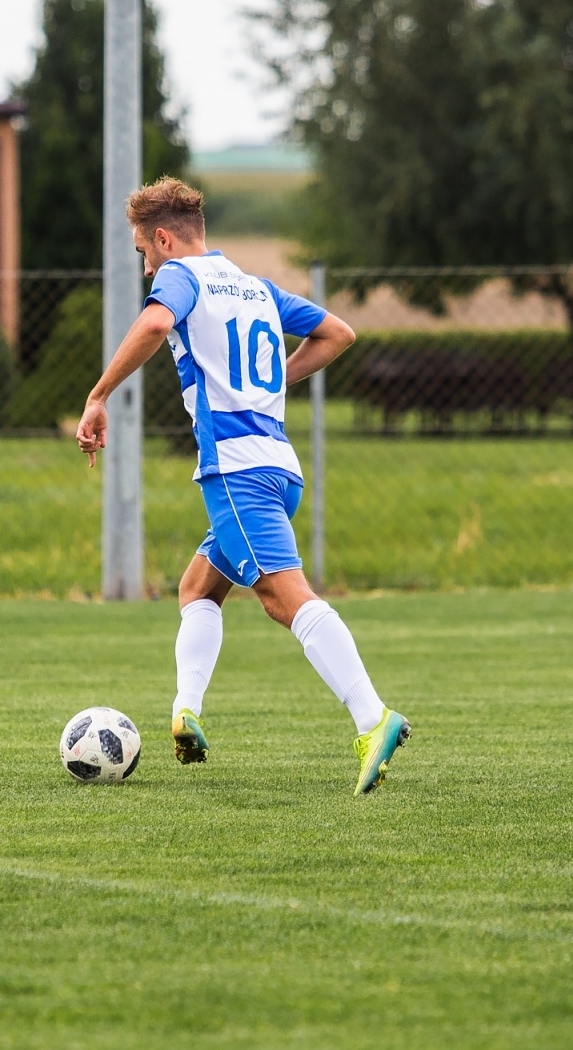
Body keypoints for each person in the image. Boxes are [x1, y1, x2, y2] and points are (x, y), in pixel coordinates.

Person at [76, 178, 411, 795]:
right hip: (279, 468)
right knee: (198, 587)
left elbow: (153, 326)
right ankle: (187, 710)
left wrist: (98, 397)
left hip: (235, 471)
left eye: (142, 250)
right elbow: (339, 332)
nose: (144, 262)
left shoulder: (179, 276)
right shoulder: (255, 286)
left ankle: (374, 718)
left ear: (163, 238)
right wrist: (274, 379)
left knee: (286, 599)